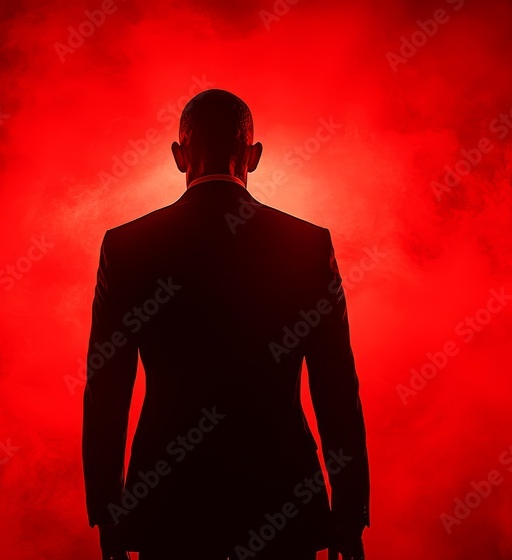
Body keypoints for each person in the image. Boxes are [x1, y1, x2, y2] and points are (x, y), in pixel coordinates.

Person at [82, 89, 369, 560]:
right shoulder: (307, 246)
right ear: (252, 156)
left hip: (168, 504)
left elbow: (106, 391)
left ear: (179, 156)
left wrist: (108, 511)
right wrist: (349, 512)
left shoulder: (128, 247)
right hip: (282, 499)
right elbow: (337, 389)